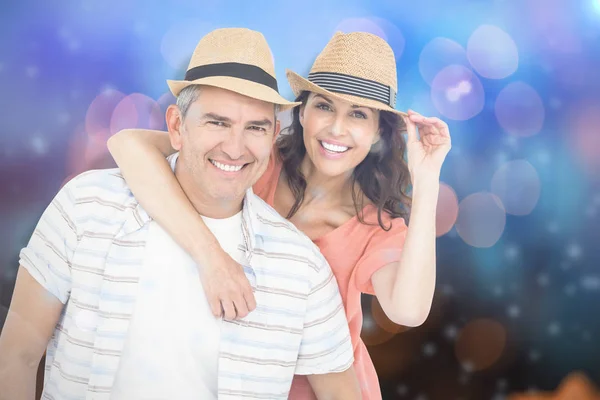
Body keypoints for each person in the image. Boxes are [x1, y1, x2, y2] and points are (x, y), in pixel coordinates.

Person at [0, 28, 362, 400]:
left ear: (273, 138)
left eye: (256, 127)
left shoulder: (301, 267)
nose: (235, 148)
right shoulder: (87, 206)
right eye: (217, 122)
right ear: (176, 126)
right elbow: (18, 354)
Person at [108, 31, 452, 399]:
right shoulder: (250, 161)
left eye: (358, 114)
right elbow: (127, 144)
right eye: (324, 106)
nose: (336, 128)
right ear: (301, 112)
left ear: (377, 132)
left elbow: (409, 311)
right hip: (218, 372)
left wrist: (427, 178)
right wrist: (210, 256)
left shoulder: (373, 229)